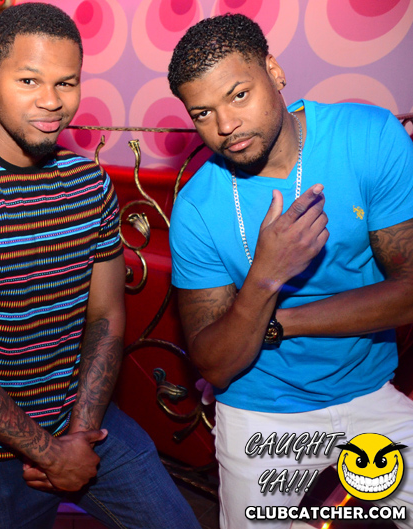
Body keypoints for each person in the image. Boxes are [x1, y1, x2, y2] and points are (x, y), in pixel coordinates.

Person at [0, 3, 200, 529]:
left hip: (84, 422)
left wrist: (79, 436)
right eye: (29, 80)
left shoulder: (89, 184)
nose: (51, 101)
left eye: (66, 83)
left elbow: (105, 316)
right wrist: (50, 454)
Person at [167, 13, 413, 528]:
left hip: (371, 393)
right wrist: (266, 276)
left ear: (274, 71)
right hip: (261, 411)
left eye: (239, 95)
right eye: (203, 113)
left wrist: (280, 323)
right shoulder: (196, 206)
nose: (226, 126)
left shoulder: (368, 138)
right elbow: (215, 365)